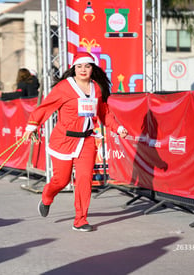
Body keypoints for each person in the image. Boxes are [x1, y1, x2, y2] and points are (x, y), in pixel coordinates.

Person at [22, 52, 128, 232]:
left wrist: (117, 128)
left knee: (84, 180)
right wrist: (31, 126)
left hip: (87, 140)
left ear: (92, 68)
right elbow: (46, 107)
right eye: (79, 66)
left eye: (87, 66)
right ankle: (47, 196)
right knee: (61, 181)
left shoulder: (97, 88)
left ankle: (80, 220)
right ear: (74, 69)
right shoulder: (64, 87)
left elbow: (104, 113)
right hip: (64, 140)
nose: (83, 70)